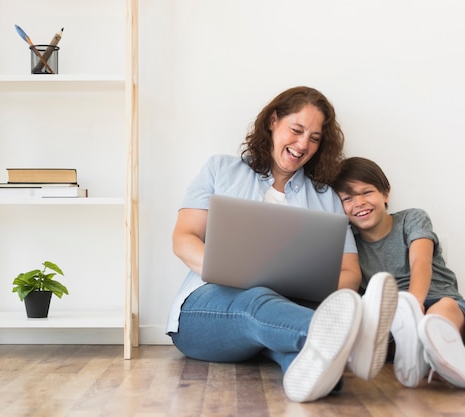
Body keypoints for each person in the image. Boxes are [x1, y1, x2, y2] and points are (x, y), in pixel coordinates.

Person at [166, 86, 398, 402]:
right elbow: (183, 239)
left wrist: (304, 291)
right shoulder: (220, 169)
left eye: (315, 138)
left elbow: (349, 271)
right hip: (207, 312)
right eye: (297, 130)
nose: (303, 144)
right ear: (274, 121)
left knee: (315, 366)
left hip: (286, 314)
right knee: (258, 298)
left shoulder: (324, 196)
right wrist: (233, 273)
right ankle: (358, 340)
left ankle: (311, 374)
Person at [333, 156, 465, 391]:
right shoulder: (350, 247)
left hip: (437, 302)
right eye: (348, 198)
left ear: (386, 193)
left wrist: (415, 303)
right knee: (384, 334)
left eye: (367, 192)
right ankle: (433, 362)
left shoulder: (411, 218)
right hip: (395, 322)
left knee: (441, 311)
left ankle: (436, 350)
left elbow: (421, 261)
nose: (359, 203)